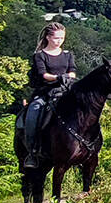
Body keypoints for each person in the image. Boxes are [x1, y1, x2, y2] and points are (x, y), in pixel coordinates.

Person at [19, 22, 76, 168]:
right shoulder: (40, 55)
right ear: (48, 38)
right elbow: (43, 74)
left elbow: (72, 71)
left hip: (65, 90)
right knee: (33, 112)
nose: (59, 41)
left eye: (62, 38)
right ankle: (32, 152)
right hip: (45, 92)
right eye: (56, 38)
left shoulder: (68, 54)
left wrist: (67, 77)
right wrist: (58, 77)